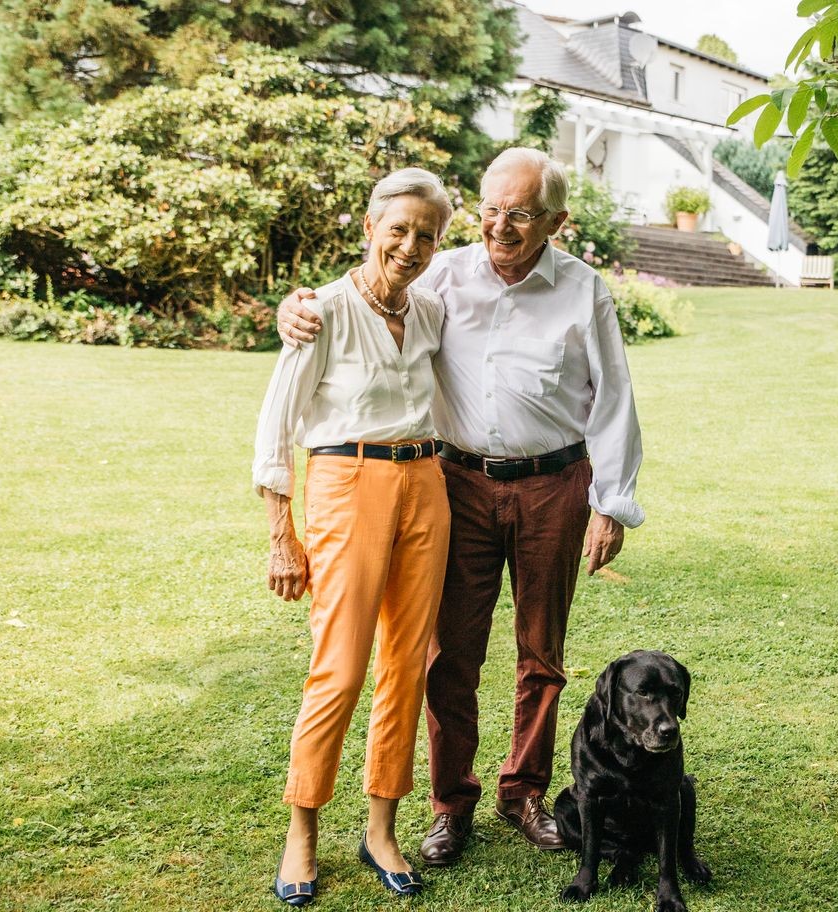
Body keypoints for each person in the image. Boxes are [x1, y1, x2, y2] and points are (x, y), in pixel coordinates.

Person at [277, 147, 644, 868]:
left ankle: (524, 792)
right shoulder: (442, 271)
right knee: (450, 655)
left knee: (542, 653)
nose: (501, 227)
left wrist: (612, 502)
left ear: (556, 221)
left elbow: (615, 398)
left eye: (521, 214)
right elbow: (370, 289)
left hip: (553, 484)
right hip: (457, 486)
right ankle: (451, 804)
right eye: (491, 210)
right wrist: (299, 307)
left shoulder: (583, 289)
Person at [254, 168, 454, 905]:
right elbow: (275, 428)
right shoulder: (323, 312)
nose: (409, 245)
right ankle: (301, 831)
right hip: (347, 483)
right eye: (397, 229)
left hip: (426, 486)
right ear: (369, 227)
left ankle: (381, 826)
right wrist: (283, 535)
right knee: (338, 667)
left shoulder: (431, 309)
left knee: (407, 665)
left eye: (425, 235)